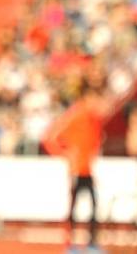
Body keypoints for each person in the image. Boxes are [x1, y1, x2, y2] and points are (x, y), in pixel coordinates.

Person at [43, 84, 107, 253]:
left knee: (93, 206)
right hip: (76, 170)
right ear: (88, 98)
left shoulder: (94, 120)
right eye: (96, 99)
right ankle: (69, 243)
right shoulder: (77, 114)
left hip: (87, 170)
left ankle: (91, 243)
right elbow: (50, 137)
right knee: (75, 206)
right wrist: (64, 154)